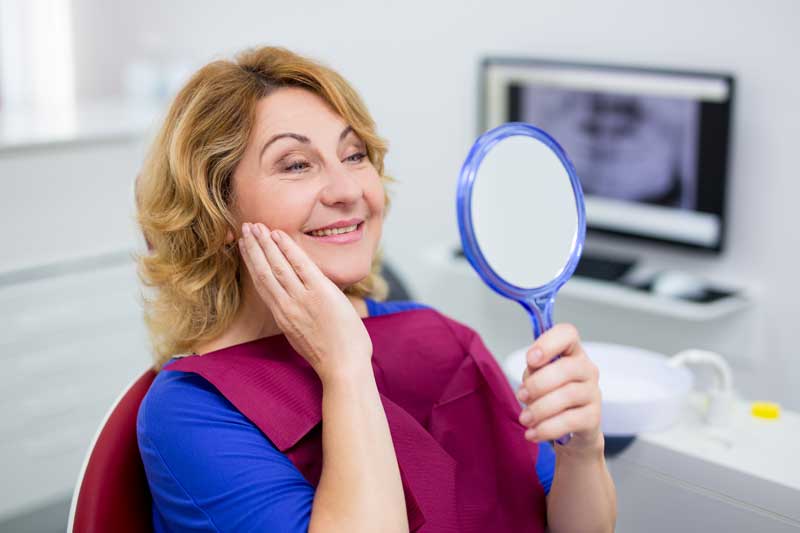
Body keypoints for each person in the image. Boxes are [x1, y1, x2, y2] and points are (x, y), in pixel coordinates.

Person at [135, 46, 617, 532]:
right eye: (297, 164)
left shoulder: (442, 339)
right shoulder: (191, 410)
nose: (348, 190)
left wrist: (584, 453)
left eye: (354, 155)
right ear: (216, 214)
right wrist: (344, 368)